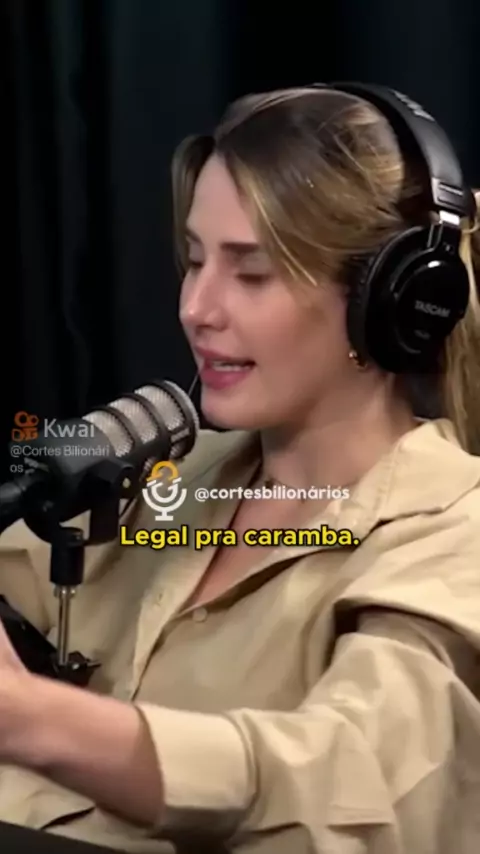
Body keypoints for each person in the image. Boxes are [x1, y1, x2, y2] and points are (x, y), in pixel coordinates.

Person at [0, 83, 479, 854]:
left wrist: (34, 720)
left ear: (389, 300)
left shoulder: (456, 534)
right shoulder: (171, 474)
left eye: (251, 273)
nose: (196, 307)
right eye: (194, 261)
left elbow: (345, 783)